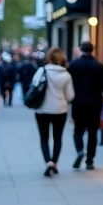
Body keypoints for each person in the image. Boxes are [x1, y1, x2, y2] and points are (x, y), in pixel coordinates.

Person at [67, 40, 103, 171]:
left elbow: (69, 85)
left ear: (81, 49)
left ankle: (80, 151)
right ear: (93, 50)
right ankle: (90, 161)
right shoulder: (99, 66)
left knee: (78, 131)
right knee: (93, 132)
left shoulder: (73, 65)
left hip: (78, 103)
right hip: (95, 103)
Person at [34, 46, 75, 176]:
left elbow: (34, 87)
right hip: (59, 110)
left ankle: (48, 162)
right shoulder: (66, 74)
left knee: (44, 137)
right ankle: (54, 162)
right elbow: (70, 96)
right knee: (58, 138)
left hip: (41, 110)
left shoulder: (41, 71)